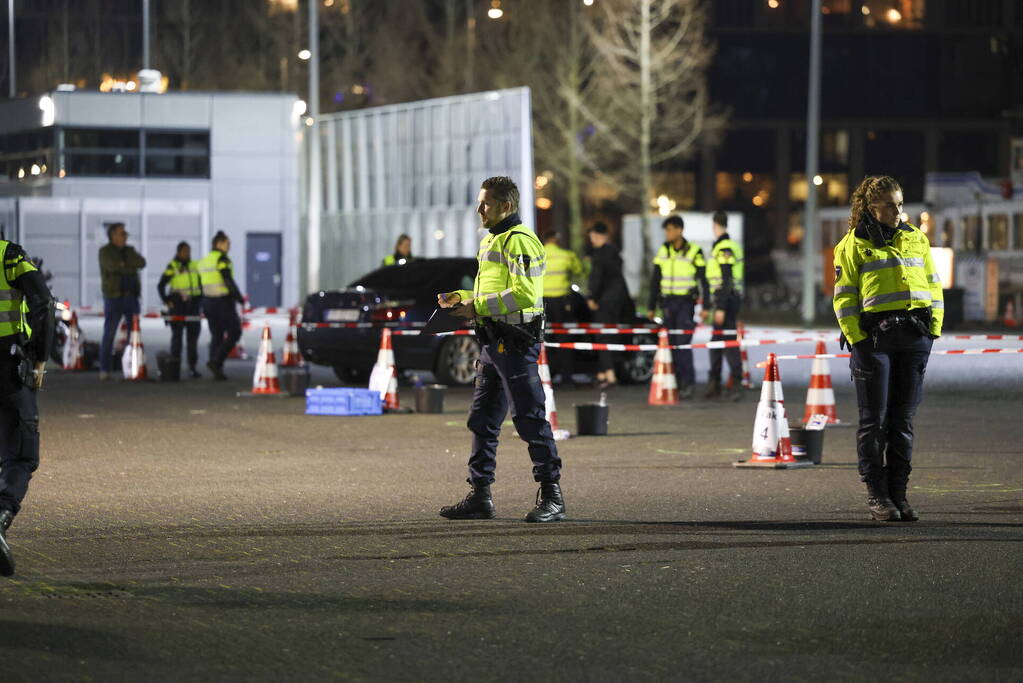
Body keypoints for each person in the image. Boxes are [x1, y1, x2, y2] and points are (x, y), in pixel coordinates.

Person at [437, 176, 564, 523]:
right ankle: (480, 495)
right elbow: (493, 291)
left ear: (506, 206)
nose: (479, 208)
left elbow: (523, 295)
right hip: (493, 341)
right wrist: (461, 299)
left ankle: (553, 495)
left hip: (515, 340)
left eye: (486, 203)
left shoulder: (520, 240)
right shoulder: (493, 239)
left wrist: (476, 307)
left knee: (529, 418)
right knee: (482, 421)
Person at [833, 175, 943, 522]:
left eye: (900, 204)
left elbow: (933, 285)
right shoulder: (852, 245)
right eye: (890, 205)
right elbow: (844, 298)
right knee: (874, 422)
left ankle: (899, 494)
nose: (898, 211)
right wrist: (858, 339)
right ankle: (877, 495)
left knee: (902, 421)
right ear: (870, 207)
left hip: (913, 339)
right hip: (874, 343)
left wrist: (932, 331)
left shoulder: (916, 239)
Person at [0, 239, 55, 575]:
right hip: (6, 368)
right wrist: (39, 358)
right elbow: (44, 303)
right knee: (20, 453)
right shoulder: (8, 254)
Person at [647, 215, 708, 399]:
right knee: (670, 344)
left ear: (680, 230)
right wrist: (651, 306)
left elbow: (703, 281)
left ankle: (687, 383)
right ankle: (673, 382)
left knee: (683, 344)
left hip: (685, 304)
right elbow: (655, 280)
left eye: (670, 229)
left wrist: (706, 305)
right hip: (667, 303)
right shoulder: (663, 251)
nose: (667, 233)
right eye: (666, 230)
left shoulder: (694, 251)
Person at [703, 211, 744, 400]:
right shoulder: (729, 245)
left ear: (715, 225)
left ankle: (733, 383)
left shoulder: (724, 247)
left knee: (726, 342)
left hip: (725, 300)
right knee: (719, 341)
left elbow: (726, 278)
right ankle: (716, 383)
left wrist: (719, 306)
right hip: (727, 298)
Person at [98, 222, 146, 380]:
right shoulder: (105, 251)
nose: (125, 236)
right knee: (109, 333)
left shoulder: (129, 250)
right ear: (113, 235)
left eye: (125, 233)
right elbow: (112, 267)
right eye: (122, 233)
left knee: (134, 335)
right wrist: (127, 266)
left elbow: (141, 262)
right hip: (114, 297)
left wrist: (124, 265)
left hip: (131, 297)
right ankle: (105, 369)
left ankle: (130, 367)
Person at [586, 222, 631, 390]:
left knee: (602, 337)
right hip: (617, 302)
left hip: (604, 302)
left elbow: (596, 279)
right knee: (611, 336)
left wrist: (592, 297)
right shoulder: (614, 253)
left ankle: (609, 375)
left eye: (593, 237)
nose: (592, 241)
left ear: (600, 236)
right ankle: (602, 374)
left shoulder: (599, 254)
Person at [198, 231, 245, 381]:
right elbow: (227, 279)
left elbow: (200, 284)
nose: (229, 247)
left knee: (216, 335)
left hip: (208, 302)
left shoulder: (204, 261)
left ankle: (216, 369)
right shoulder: (222, 259)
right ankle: (216, 362)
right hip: (223, 301)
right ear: (219, 244)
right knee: (235, 332)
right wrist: (239, 297)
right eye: (227, 244)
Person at [541, 231, 584, 384]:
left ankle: (547, 375)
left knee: (544, 338)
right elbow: (580, 271)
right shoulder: (567, 255)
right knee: (563, 337)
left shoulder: (537, 254)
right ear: (556, 240)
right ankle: (567, 376)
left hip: (542, 303)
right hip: (561, 302)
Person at [158, 241, 203, 379]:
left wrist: (200, 300)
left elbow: (201, 285)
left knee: (192, 340)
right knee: (177, 338)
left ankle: (192, 368)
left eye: (189, 251)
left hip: (193, 305)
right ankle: (174, 368)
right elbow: (161, 285)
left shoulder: (194, 265)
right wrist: (167, 301)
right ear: (178, 252)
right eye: (184, 251)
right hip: (178, 305)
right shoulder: (173, 266)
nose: (187, 254)